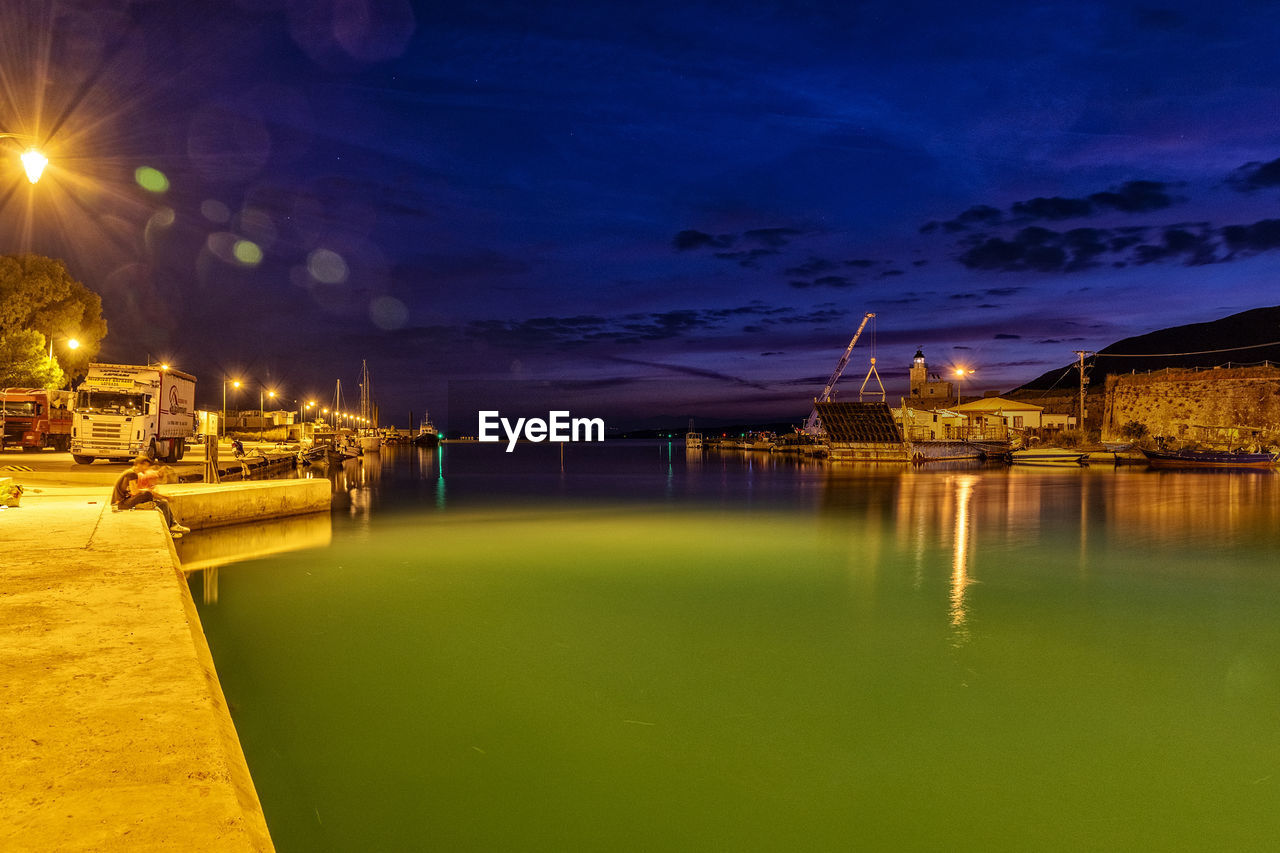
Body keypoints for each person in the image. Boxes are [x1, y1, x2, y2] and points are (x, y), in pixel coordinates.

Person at [111, 455, 191, 537]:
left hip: (126, 501)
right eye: (146, 466)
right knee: (148, 494)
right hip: (120, 504)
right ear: (139, 464)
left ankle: (172, 526)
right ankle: (168, 531)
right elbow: (135, 492)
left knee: (163, 503)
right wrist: (149, 491)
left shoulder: (135, 474)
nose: (147, 468)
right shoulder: (131, 473)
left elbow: (135, 493)